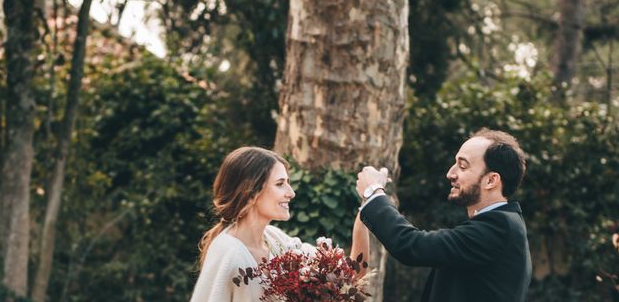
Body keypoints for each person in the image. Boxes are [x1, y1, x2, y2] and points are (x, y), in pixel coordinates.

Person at [356, 128, 532, 302]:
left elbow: (411, 245)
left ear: (491, 180)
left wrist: (373, 193)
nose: (450, 173)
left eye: (462, 166)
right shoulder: (499, 225)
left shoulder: (499, 226)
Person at [190, 146, 370, 302]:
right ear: (251, 192)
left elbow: (349, 278)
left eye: (288, 183)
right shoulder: (228, 253)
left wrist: (366, 211)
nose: (291, 193)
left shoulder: (276, 241)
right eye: (280, 184)